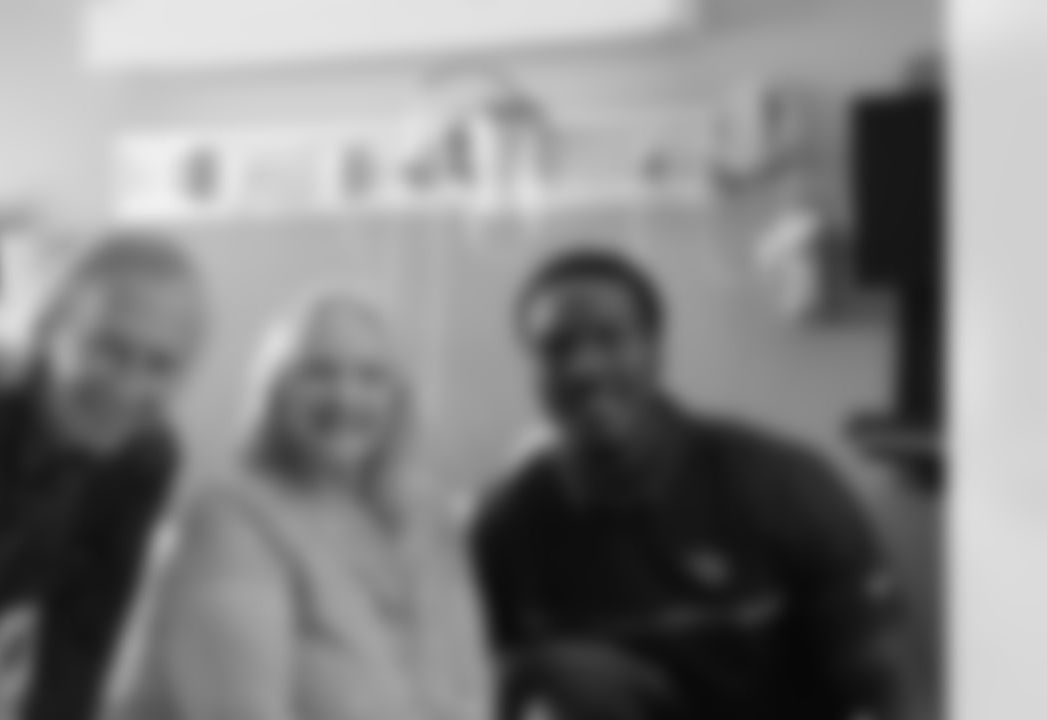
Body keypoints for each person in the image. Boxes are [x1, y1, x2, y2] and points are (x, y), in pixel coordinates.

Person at [469, 246, 908, 720]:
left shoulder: (782, 485)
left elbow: (879, 682)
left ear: (655, 349)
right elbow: (483, 682)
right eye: (556, 348)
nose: (584, 368)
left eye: (610, 339)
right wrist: (533, 667)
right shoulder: (507, 525)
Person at [0, 232, 205, 720]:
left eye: (161, 365)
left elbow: (79, 643)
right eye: (109, 350)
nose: (129, 388)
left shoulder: (144, 457)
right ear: (47, 329)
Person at [117, 291, 493, 720]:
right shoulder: (228, 520)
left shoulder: (426, 515)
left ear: (399, 396)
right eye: (318, 374)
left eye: (372, 377)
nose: (346, 397)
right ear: (274, 391)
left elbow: (469, 693)